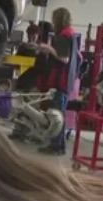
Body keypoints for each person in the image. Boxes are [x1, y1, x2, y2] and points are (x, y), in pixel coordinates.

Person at [35, 8, 80, 156]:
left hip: (60, 81)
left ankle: (57, 146)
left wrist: (49, 48)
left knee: (57, 116)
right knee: (60, 114)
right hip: (66, 81)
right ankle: (58, 145)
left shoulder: (63, 36)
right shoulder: (71, 35)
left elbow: (64, 58)